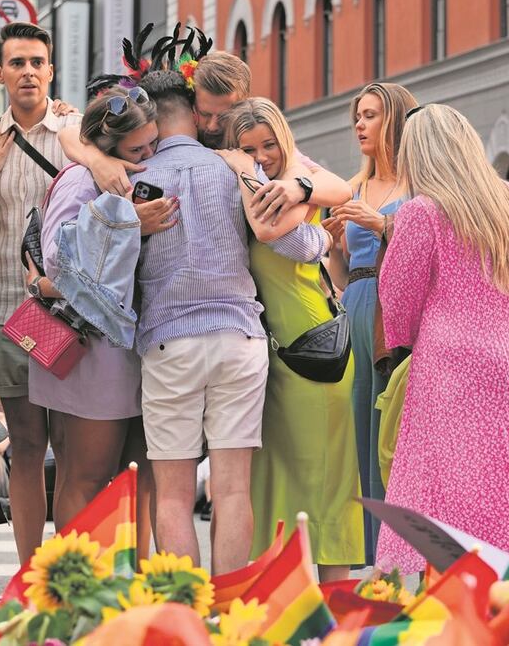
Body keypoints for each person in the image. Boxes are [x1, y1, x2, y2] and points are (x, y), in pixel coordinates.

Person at [134, 69, 331, 574]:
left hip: (167, 340)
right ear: (193, 112)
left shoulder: (134, 175)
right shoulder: (236, 166)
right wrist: (325, 240)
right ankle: (228, 612)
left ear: (152, 118)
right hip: (239, 337)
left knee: (174, 496)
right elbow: (287, 238)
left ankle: (187, 612)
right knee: (232, 488)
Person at [375, 103, 509, 573]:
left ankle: (455, 600)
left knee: (447, 493)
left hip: (453, 366)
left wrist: (406, 339)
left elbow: (397, 300)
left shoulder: (424, 212)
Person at [219, 97, 362, 581]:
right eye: (248, 148)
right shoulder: (263, 180)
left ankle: (334, 616)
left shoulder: (292, 178)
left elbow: (288, 240)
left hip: (311, 346)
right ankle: (286, 614)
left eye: (269, 144)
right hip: (271, 354)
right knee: (277, 487)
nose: (262, 156)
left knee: (324, 487)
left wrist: (253, 173)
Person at [27, 84, 167, 550]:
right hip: (91, 348)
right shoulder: (79, 180)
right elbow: (56, 263)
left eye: (153, 144)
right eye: (136, 149)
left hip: (133, 345)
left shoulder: (120, 177)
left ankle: (127, 593)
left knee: (135, 480)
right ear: (105, 148)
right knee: (86, 478)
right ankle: (77, 591)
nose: (148, 155)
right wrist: (130, 221)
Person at [0, 22, 84, 562]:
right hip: (8, 313)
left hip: (67, 315)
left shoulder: (75, 134)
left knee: (74, 451)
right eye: (18, 63)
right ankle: (29, 572)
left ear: (52, 70)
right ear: (0, 73)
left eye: (38, 62)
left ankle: (69, 571)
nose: (29, 72)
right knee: (27, 449)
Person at [325, 82, 417, 564]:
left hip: (396, 311)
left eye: (370, 115)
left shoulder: (418, 186)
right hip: (356, 303)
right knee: (357, 431)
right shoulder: (349, 186)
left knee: (392, 433)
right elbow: (342, 275)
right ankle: (366, 551)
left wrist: (383, 225)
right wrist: (335, 246)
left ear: (396, 122)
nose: (359, 124)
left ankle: (398, 550)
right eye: (356, 116)